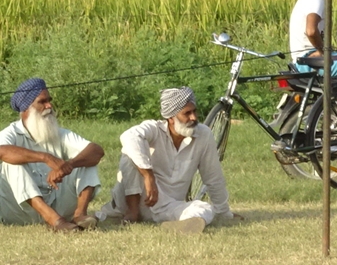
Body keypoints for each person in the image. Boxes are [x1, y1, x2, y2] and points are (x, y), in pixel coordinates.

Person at [99, 87, 238, 233]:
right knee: (130, 151)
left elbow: (213, 176)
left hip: (167, 206)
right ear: (171, 118)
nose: (194, 118)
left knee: (204, 208)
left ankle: (180, 226)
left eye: (194, 111)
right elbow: (129, 136)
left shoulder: (204, 134)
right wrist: (148, 176)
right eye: (187, 113)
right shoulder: (154, 129)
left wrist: (224, 213)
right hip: (135, 198)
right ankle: (132, 213)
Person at [0, 78, 104, 231]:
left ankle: (80, 215)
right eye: (42, 102)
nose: (49, 106)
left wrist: (67, 166)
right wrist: (46, 158)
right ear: (26, 108)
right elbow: (1, 152)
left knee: (86, 159)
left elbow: (96, 151)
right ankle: (56, 221)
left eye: (49, 101)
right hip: (19, 211)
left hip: (57, 202)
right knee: (11, 162)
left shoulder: (59, 133)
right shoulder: (10, 133)